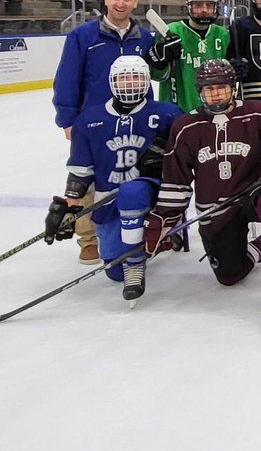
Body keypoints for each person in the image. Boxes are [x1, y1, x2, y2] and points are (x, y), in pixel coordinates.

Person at [148, 59, 261, 306]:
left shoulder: (257, 111)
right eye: (209, 89)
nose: (216, 94)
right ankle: (260, 247)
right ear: (200, 92)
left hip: (254, 193)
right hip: (215, 208)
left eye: (222, 87)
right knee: (229, 276)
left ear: (233, 87)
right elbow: (177, 179)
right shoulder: (186, 126)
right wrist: (164, 218)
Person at [44, 57, 182, 303]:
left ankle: (139, 258)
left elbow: (187, 152)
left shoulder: (165, 113)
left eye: (137, 77)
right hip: (107, 199)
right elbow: (80, 170)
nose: (130, 83)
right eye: (124, 78)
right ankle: (143, 247)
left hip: (150, 193)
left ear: (147, 81)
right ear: (112, 82)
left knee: (131, 192)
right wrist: (69, 205)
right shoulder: (90, 119)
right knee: (115, 271)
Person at [52, 0, 153, 262]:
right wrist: (68, 118)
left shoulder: (143, 38)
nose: (121, 3)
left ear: (135, 3)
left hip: (135, 118)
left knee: (133, 172)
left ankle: (137, 227)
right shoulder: (83, 36)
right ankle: (87, 238)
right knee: (88, 176)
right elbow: (67, 78)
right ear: (106, 0)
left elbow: (151, 76)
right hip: (93, 121)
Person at [148, 0, 230, 113]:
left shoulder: (223, 34)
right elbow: (156, 75)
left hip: (214, 109)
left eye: (209, 6)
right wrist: (160, 60)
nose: (204, 10)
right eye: (198, 5)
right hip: (177, 109)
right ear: (188, 7)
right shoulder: (171, 31)